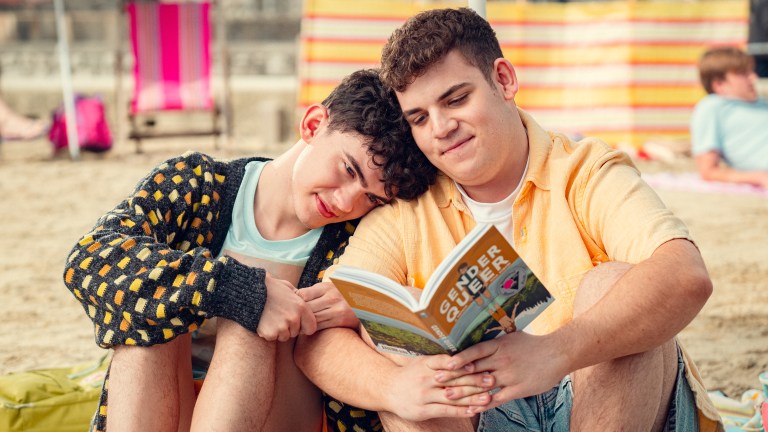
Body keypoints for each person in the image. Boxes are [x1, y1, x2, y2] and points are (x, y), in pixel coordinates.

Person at [295, 8, 722, 432]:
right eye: (420, 118)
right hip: (482, 410)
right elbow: (317, 340)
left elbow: (685, 274)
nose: (441, 128)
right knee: (389, 328)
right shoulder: (408, 209)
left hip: (603, 395)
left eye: (456, 99)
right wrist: (393, 388)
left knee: (611, 284)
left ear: (504, 80)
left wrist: (555, 352)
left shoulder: (585, 170)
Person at [62, 69, 436, 431]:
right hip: (162, 406)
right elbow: (88, 259)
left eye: (370, 197)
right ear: (312, 125)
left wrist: (362, 306)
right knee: (153, 311)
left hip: (280, 411)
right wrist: (234, 288)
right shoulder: (198, 185)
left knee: (253, 322)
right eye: (348, 170)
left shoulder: (357, 238)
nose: (345, 202)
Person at [690, 46, 768, 188]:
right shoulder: (713, 106)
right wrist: (759, 177)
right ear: (720, 85)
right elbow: (708, 170)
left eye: (752, 71)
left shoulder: (762, 103)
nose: (754, 77)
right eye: (743, 73)